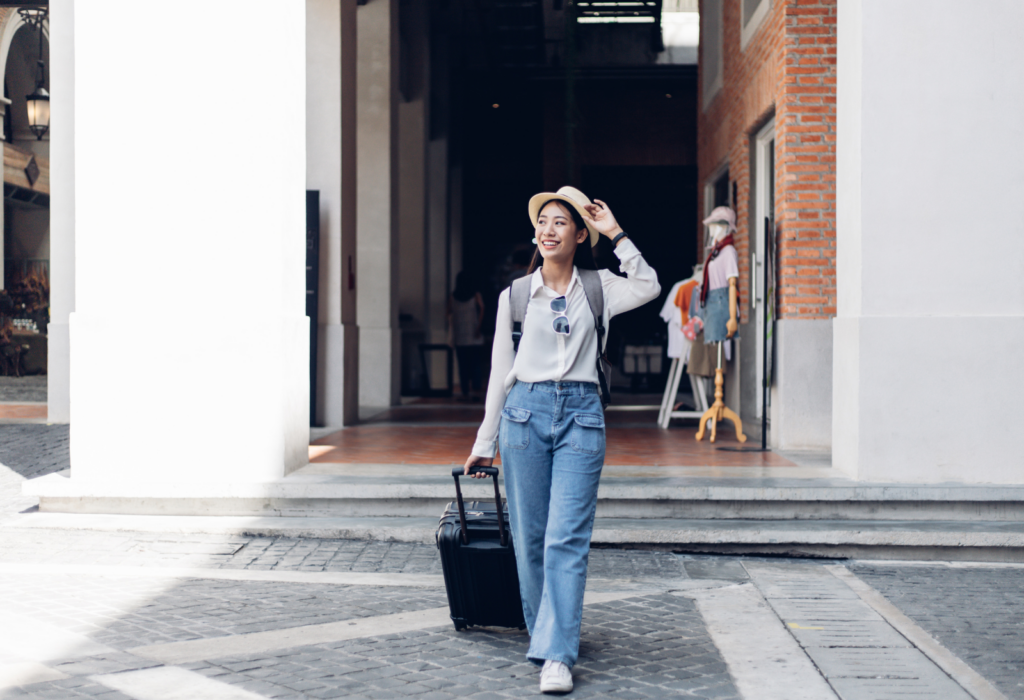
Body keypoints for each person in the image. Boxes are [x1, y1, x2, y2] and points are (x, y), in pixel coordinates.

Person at [463, 186, 660, 694]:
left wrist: (615, 232)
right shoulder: (516, 295)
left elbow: (650, 284)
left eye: (560, 223)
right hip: (524, 416)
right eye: (543, 222)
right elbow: (499, 373)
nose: (548, 230)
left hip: (581, 416)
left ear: (578, 235)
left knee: (565, 537)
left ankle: (556, 654)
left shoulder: (600, 288)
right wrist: (485, 440)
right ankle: (545, 631)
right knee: (530, 539)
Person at [449, 271, 485, 400]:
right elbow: (482, 309)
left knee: (462, 364)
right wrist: (478, 328)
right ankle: (476, 388)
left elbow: (448, 313)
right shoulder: (475, 295)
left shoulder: (453, 296)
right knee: (475, 363)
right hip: (473, 334)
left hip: (460, 335)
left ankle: (465, 389)